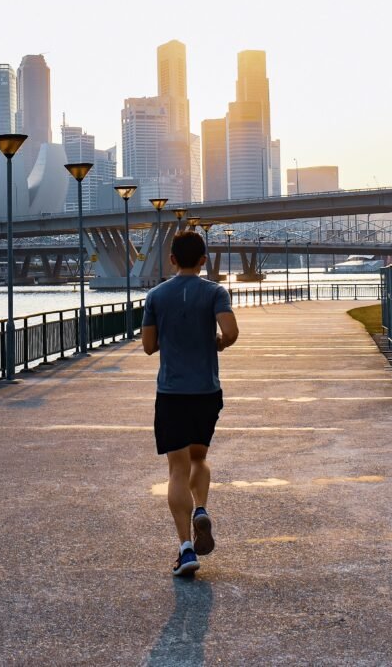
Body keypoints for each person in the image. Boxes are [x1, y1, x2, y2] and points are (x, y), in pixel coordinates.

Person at [142, 229, 239, 576]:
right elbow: (230, 333)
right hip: (206, 392)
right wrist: (218, 343)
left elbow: (148, 346)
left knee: (176, 469)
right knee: (199, 458)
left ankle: (185, 549)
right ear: (203, 260)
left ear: (171, 259)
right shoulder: (215, 292)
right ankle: (201, 509)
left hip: (171, 393)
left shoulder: (156, 296)